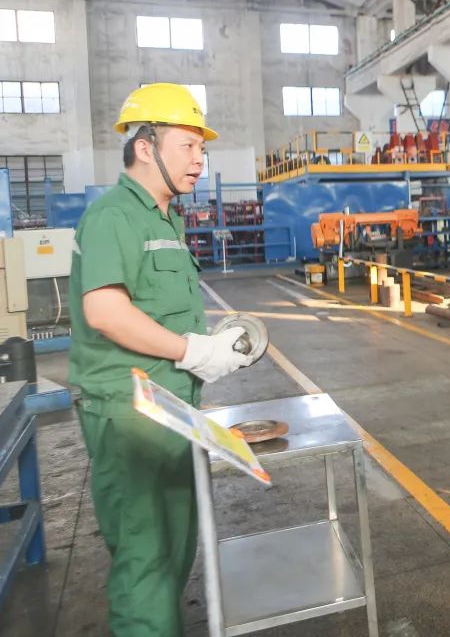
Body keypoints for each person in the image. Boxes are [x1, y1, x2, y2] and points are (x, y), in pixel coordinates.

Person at [69, 83, 253, 636]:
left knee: (172, 553)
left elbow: (157, 311)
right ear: (145, 147)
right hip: (131, 415)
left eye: (202, 148)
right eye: (187, 146)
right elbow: (105, 311)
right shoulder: (114, 216)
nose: (199, 160)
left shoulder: (164, 218)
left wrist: (210, 343)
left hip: (170, 409)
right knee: (145, 564)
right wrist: (193, 350)